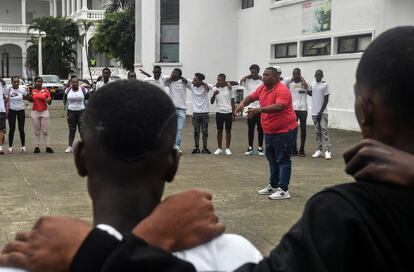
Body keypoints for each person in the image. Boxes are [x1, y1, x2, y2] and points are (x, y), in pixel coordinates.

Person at [0, 80, 263, 272]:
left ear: (81, 160)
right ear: (172, 164)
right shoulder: (232, 255)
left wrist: (94, 251)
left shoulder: (31, 257)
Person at [236, 67, 297, 200]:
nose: (264, 77)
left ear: (276, 77)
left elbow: (279, 106)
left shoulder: (282, 90)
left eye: (267, 75)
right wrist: (242, 104)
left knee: (283, 160)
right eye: (263, 75)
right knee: (272, 159)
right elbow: (251, 97)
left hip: (284, 131)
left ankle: (283, 190)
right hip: (270, 131)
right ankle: (273, 185)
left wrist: (259, 110)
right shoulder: (262, 89)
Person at [240, 64, 264, 156]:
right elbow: (239, 82)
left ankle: (260, 148)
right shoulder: (247, 81)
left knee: (260, 129)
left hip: (260, 108)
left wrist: (260, 77)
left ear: (258, 71)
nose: (253, 73)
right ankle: (250, 148)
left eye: (255, 71)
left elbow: (266, 81)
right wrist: (247, 76)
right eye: (252, 71)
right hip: (250, 108)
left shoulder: (262, 81)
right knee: (250, 129)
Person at [283, 68, 308, 157]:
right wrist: (291, 79)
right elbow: (283, 82)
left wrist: (302, 79)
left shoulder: (304, 82)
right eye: (294, 74)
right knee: (293, 130)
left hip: (303, 110)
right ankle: (294, 149)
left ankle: (302, 149)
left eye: (297, 73)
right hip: (293, 109)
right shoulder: (290, 84)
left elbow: (306, 86)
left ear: (300, 74)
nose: (295, 75)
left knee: (303, 130)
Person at [308, 70, 331, 159]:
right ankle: (319, 150)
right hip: (314, 113)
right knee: (317, 132)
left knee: (324, 130)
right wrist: (303, 86)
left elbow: (326, 100)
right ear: (314, 75)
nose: (318, 76)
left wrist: (320, 112)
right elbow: (310, 93)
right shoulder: (313, 85)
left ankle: (327, 151)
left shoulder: (325, 85)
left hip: (323, 113)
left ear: (322, 76)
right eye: (316, 75)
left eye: (319, 75)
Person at [26, 76, 54, 153]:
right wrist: (28, 95)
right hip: (35, 112)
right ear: (35, 82)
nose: (39, 83)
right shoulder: (33, 90)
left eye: (41, 81)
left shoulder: (46, 90)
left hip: (44, 111)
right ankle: (37, 146)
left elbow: (49, 101)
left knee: (45, 131)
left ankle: (48, 146)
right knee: (36, 131)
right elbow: (31, 100)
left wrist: (48, 100)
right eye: (38, 81)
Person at [62, 77, 89, 153]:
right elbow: (64, 97)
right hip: (71, 112)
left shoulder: (83, 90)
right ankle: (70, 146)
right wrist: (65, 105)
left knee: (82, 130)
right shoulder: (68, 90)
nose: (75, 84)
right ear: (71, 83)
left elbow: (89, 97)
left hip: (81, 112)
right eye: (73, 82)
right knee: (72, 130)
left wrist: (88, 106)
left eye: (77, 82)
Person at [211, 73, 235, 155]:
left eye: (220, 80)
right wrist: (214, 94)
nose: (218, 81)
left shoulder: (229, 88)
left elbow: (233, 102)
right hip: (219, 112)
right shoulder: (214, 89)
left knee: (228, 131)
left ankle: (227, 148)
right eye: (217, 80)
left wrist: (233, 114)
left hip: (228, 112)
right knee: (219, 131)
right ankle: (219, 148)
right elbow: (211, 102)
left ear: (224, 80)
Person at [165, 68, 189, 153]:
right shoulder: (169, 82)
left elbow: (195, 83)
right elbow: (157, 80)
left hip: (182, 110)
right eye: (172, 72)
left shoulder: (184, 82)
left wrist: (204, 84)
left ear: (179, 75)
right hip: (172, 110)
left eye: (174, 73)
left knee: (179, 129)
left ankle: (177, 146)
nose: (172, 74)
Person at [188, 73, 212, 154]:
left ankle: (205, 148)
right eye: (193, 80)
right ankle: (196, 148)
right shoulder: (192, 86)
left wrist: (205, 84)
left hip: (205, 112)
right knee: (196, 131)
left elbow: (215, 87)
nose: (193, 81)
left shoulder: (205, 86)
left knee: (205, 131)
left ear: (200, 81)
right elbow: (183, 80)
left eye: (195, 80)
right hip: (195, 113)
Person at [5, 76, 27, 153]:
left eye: (17, 82)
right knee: (12, 129)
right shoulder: (9, 89)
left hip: (21, 110)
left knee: (21, 128)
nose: (16, 83)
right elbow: (6, 99)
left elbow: (27, 97)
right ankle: (10, 147)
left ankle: (23, 146)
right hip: (12, 110)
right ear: (11, 82)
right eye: (14, 82)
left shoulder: (23, 89)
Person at [0, 79, 7, 155]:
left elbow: (6, 93)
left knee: (1, 129)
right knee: (1, 130)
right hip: (1, 110)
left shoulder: (1, 84)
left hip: (1, 110)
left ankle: (0, 147)